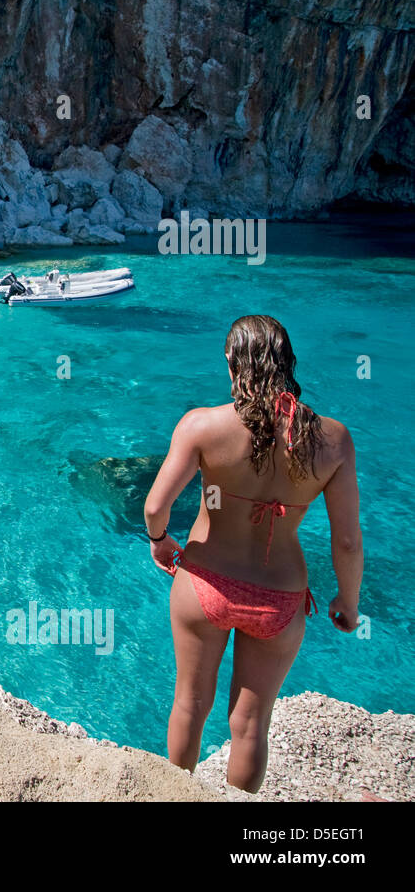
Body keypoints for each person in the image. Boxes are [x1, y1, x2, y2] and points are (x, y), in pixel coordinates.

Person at [144, 315, 361, 793]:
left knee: (189, 705)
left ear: (231, 363)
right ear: (289, 364)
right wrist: (348, 600)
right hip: (280, 601)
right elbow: (345, 540)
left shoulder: (202, 425)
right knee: (249, 723)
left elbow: (156, 506)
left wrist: (161, 541)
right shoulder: (333, 439)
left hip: (204, 584)